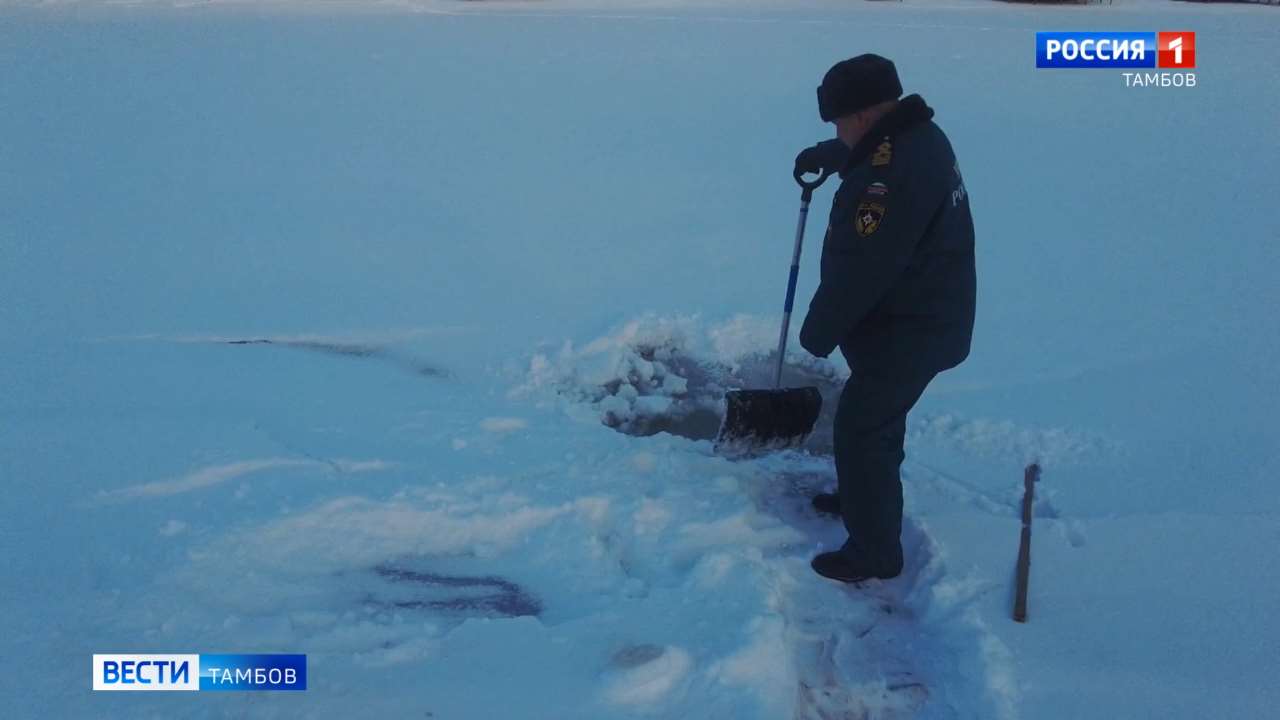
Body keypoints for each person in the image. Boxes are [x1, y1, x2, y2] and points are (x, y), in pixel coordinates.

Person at [795, 54, 976, 583]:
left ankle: (875, 553)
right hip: (923, 316)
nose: (837, 130)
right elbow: (882, 150)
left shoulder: (887, 176)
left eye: (838, 124)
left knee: (861, 429)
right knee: (875, 420)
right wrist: (834, 153)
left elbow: (862, 268)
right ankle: (863, 500)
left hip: (911, 328)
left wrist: (819, 330)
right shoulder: (920, 134)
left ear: (864, 116)